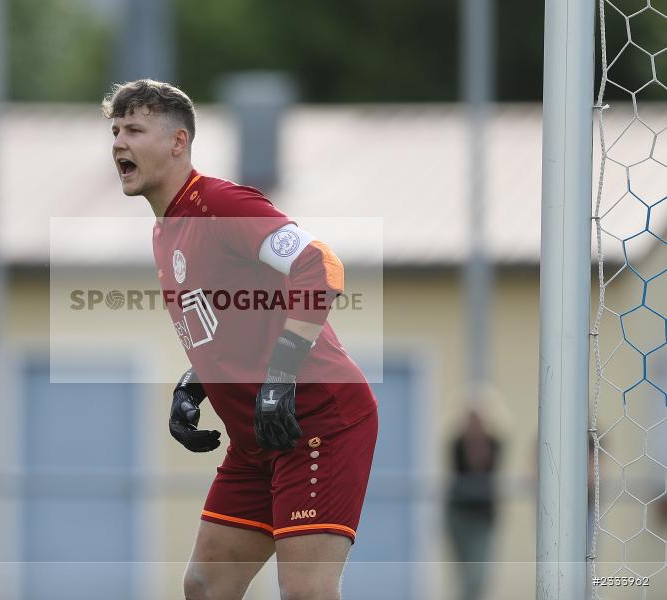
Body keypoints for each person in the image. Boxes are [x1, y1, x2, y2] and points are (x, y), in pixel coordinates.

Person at [102, 79, 379, 600]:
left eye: (134, 129)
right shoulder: (167, 230)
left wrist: (279, 376)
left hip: (318, 420)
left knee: (306, 592)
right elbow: (229, 323)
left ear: (178, 142)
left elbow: (321, 267)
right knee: (206, 586)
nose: (118, 142)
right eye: (115, 130)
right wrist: (196, 384)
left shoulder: (218, 204)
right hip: (258, 436)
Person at [445, 408, 501, 600]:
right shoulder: (457, 444)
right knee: (465, 575)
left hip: (482, 517)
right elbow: (464, 467)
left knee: (477, 576)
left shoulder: (494, 444)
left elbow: (486, 466)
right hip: (459, 515)